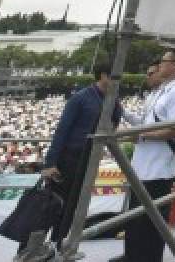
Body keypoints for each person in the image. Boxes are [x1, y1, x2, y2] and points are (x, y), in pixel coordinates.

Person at [116, 48, 175, 262]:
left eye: (163, 61)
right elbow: (147, 123)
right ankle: (133, 256)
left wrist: (140, 136)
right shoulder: (164, 90)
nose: (160, 65)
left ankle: (147, 258)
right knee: (136, 219)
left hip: (159, 167)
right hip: (145, 165)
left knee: (151, 223)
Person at [33, 65, 121, 255]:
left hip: (90, 158)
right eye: (116, 76)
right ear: (104, 75)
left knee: (74, 206)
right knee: (53, 204)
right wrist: (50, 163)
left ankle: (58, 246)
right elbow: (62, 130)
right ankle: (33, 248)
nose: (119, 80)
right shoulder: (81, 97)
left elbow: (115, 121)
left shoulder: (113, 99)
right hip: (68, 158)